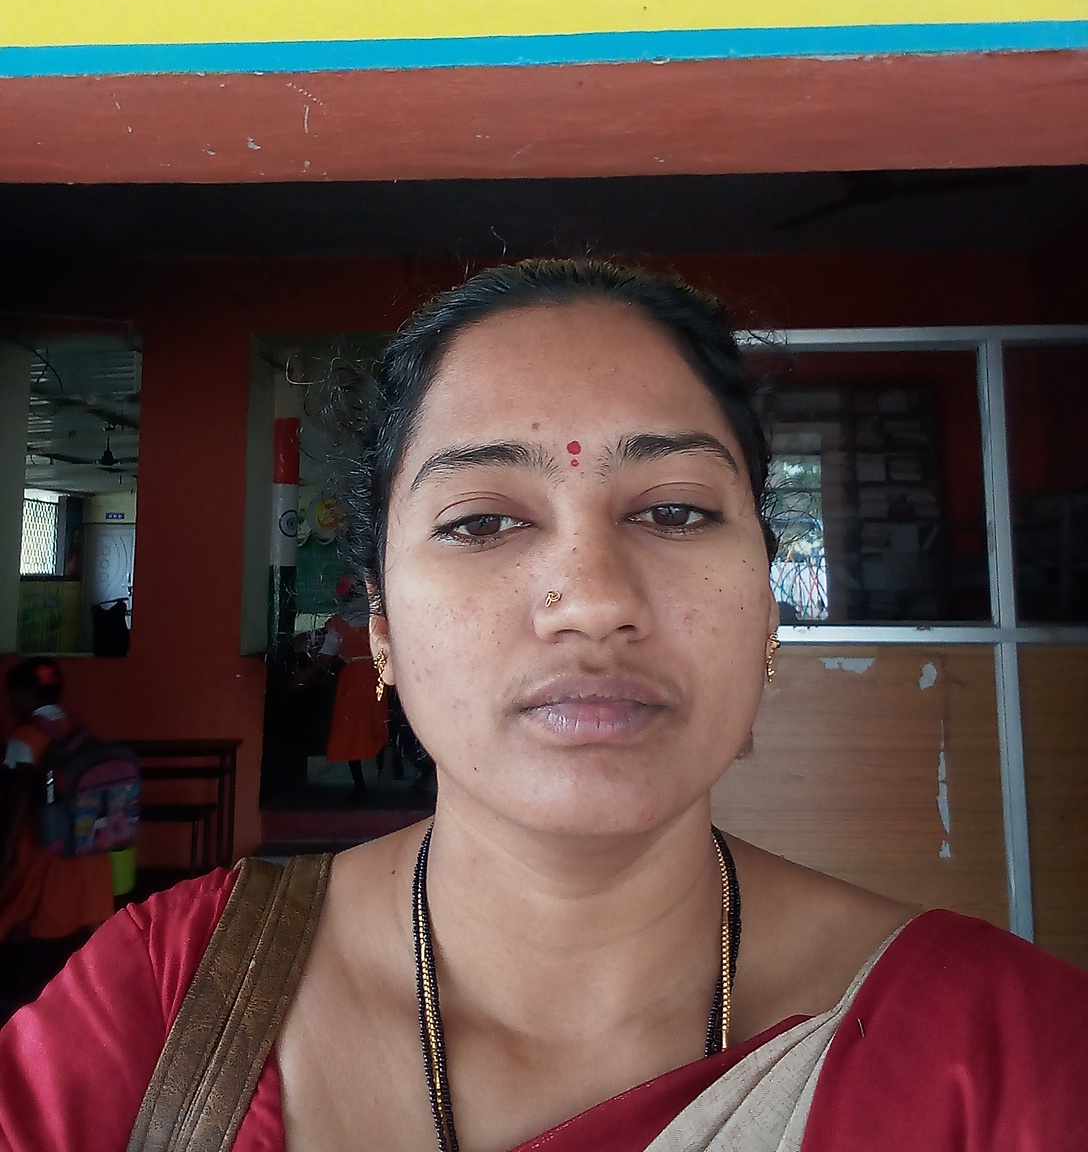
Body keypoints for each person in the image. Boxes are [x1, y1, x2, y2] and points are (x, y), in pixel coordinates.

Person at [1, 258, 1085, 1150]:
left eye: (673, 511)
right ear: (381, 625)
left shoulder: (1003, 1058)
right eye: (481, 522)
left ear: (767, 603)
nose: (594, 600)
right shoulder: (159, 1009)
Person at [0, 658, 115, 1016]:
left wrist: (4, 859)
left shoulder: (24, 740)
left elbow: (15, 807)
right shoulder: (80, 731)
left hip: (44, 867)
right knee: (72, 970)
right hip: (90, 869)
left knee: (29, 977)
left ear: (22, 695)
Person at [316, 576, 389, 800]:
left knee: (350, 730)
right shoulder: (380, 622)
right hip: (380, 677)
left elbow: (326, 656)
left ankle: (360, 784)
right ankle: (382, 777)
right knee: (379, 724)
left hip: (352, 682)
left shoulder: (339, 623)